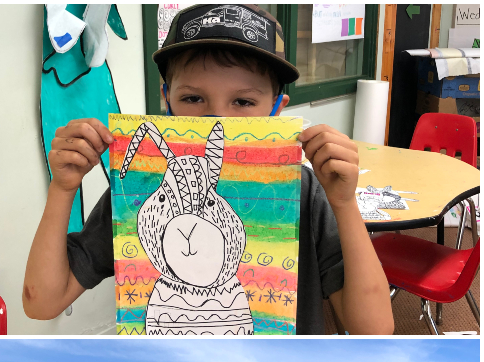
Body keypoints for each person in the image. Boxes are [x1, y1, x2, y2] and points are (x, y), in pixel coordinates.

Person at [22, 3, 393, 335]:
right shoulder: (138, 187)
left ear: (277, 108)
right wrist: (62, 189)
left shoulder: (303, 192)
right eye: (193, 98)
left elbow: (375, 329)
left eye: (244, 101)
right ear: (167, 99)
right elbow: (41, 303)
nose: (218, 118)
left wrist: (344, 204)